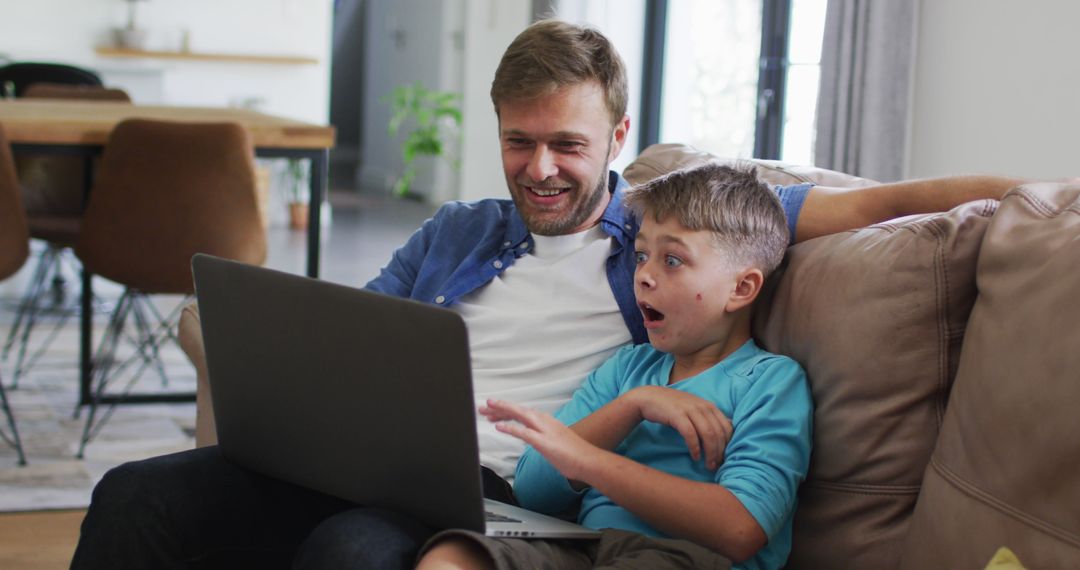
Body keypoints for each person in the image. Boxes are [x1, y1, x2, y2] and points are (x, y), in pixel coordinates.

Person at [70, 19, 1025, 570]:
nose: (541, 168)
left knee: (351, 554)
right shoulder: (458, 232)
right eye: (520, 141)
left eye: (567, 144)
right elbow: (350, 341)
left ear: (616, 138)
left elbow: (890, 203)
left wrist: (1039, 196)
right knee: (136, 497)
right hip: (378, 462)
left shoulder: (669, 232)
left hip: (503, 494)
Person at [416, 162, 811, 570]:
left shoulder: (771, 383)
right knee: (454, 554)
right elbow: (533, 492)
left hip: (686, 557)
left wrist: (589, 462)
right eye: (641, 255)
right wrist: (632, 405)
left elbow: (741, 530)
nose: (643, 275)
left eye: (672, 260)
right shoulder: (628, 370)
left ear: (741, 288)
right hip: (589, 548)